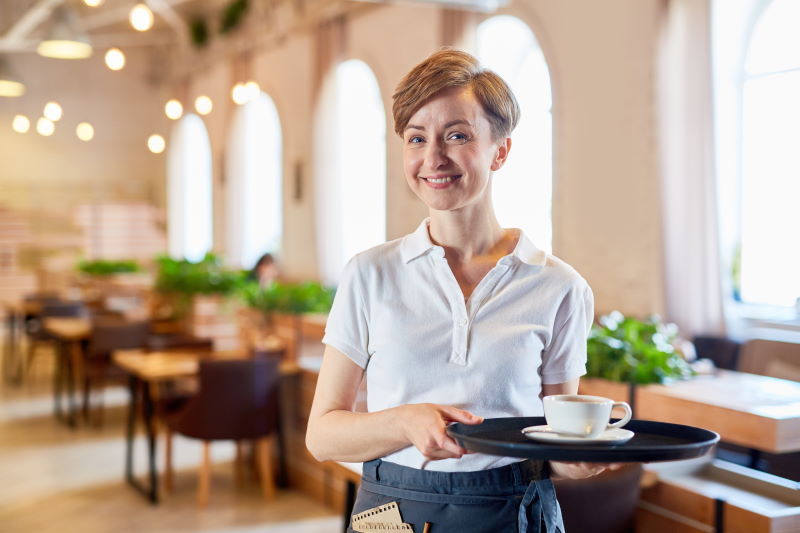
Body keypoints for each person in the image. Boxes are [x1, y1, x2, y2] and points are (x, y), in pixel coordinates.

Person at [306, 49, 612, 532]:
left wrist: (586, 452)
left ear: (501, 150)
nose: (433, 158)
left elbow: (555, 452)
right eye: (416, 138)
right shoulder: (369, 273)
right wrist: (404, 422)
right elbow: (322, 436)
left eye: (457, 135)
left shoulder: (560, 287)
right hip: (391, 516)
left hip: (512, 514)